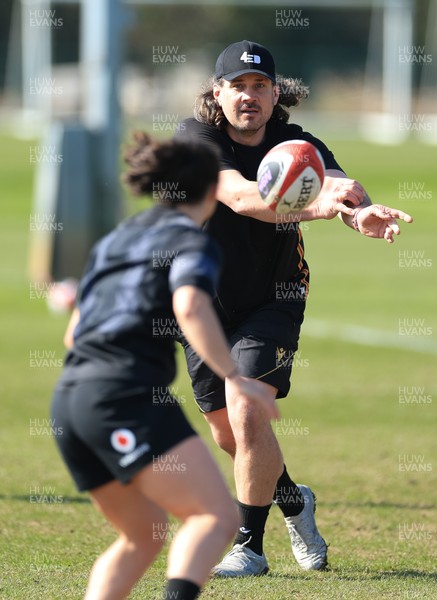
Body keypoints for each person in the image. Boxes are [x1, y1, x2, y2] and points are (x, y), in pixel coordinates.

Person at [175, 40, 413, 577]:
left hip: (275, 296)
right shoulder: (195, 140)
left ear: (276, 92)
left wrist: (359, 213)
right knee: (228, 433)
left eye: (260, 86)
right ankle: (294, 502)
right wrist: (318, 208)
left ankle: (249, 548)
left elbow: (341, 188)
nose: (250, 97)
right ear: (218, 93)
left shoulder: (297, 143)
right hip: (202, 303)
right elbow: (239, 197)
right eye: (238, 86)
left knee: (248, 408)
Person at [51, 132, 278, 600]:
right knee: (214, 516)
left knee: (142, 533)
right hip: (124, 397)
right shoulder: (190, 240)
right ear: (209, 187)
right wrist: (235, 378)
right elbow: (191, 306)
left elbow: (74, 332)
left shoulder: (117, 238)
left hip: (70, 399)